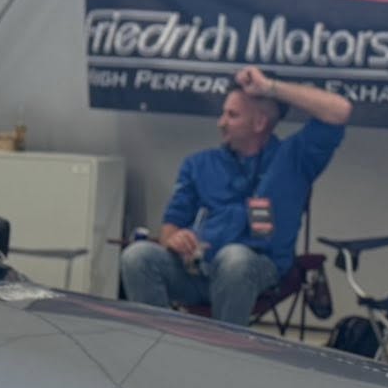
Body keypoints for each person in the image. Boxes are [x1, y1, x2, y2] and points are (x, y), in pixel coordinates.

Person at [121, 68, 352, 324]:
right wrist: (175, 240)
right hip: (196, 271)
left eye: (232, 115)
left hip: (255, 270)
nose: (221, 123)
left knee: (234, 258)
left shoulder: (294, 159)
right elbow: (169, 228)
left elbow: (339, 110)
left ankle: (224, 348)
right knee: (137, 256)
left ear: (260, 123)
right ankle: (161, 340)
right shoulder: (198, 164)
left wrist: (270, 87)